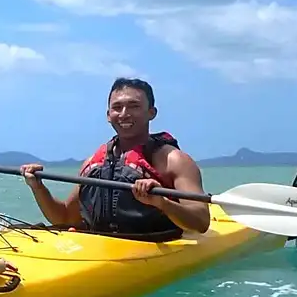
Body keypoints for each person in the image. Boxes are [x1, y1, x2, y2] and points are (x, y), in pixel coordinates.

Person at [18, 78, 211, 237]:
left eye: (134, 106)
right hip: (102, 249)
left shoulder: (174, 161)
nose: (124, 114)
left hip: (156, 244)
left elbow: (201, 222)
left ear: (151, 113)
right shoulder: (94, 162)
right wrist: (38, 187)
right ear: (108, 115)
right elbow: (65, 217)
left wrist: (162, 202)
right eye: (117, 107)